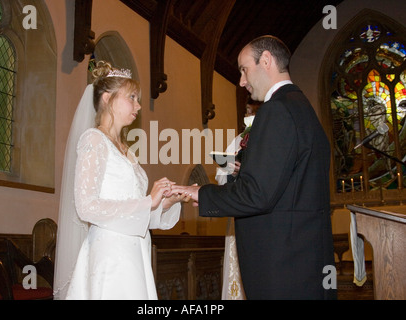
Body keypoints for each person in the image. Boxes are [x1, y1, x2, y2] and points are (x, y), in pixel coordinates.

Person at [172, 36, 336, 299]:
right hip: (305, 263)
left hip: (282, 270)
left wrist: (201, 193)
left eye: (244, 69)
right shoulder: (303, 109)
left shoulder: (276, 111)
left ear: (266, 61)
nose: (242, 81)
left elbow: (257, 194)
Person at [53, 61, 187, 300]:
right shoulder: (93, 140)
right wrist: (149, 201)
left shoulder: (126, 151)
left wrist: (162, 204)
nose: (138, 105)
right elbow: (87, 206)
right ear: (107, 98)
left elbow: (134, 211)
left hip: (135, 252)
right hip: (111, 256)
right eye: (132, 97)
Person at [216, 98, 260, 300]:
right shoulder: (238, 141)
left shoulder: (272, 139)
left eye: (252, 111)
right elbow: (219, 175)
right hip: (238, 215)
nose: (248, 114)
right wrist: (231, 172)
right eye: (247, 110)